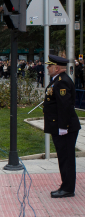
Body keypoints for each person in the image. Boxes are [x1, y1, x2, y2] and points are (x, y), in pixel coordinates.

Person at [43, 55, 81, 198]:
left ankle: (67, 189)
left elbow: (65, 106)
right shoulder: (57, 81)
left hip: (65, 128)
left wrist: (63, 127)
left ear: (57, 68)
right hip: (61, 126)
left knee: (66, 158)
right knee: (63, 157)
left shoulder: (61, 82)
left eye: (49, 66)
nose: (47, 68)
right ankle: (65, 186)